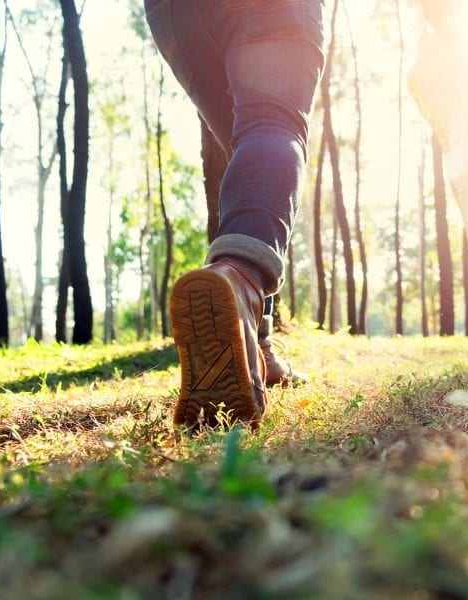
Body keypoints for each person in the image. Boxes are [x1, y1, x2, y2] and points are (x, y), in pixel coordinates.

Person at [143, 0, 325, 431]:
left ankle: (257, 346)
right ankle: (241, 279)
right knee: (273, 123)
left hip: (175, 15)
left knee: (248, 143)